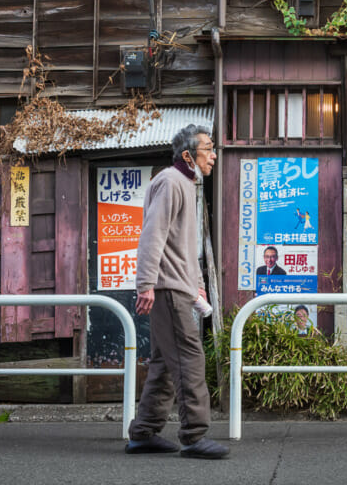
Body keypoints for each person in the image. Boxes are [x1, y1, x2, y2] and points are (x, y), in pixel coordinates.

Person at [126, 124, 228, 459]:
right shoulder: (171, 181)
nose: (213, 155)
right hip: (167, 289)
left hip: (178, 287)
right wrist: (146, 285)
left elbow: (184, 245)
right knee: (189, 360)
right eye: (208, 149)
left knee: (165, 365)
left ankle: (143, 433)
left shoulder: (187, 183)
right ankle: (194, 436)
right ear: (188, 155)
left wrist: (197, 284)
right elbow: (152, 236)